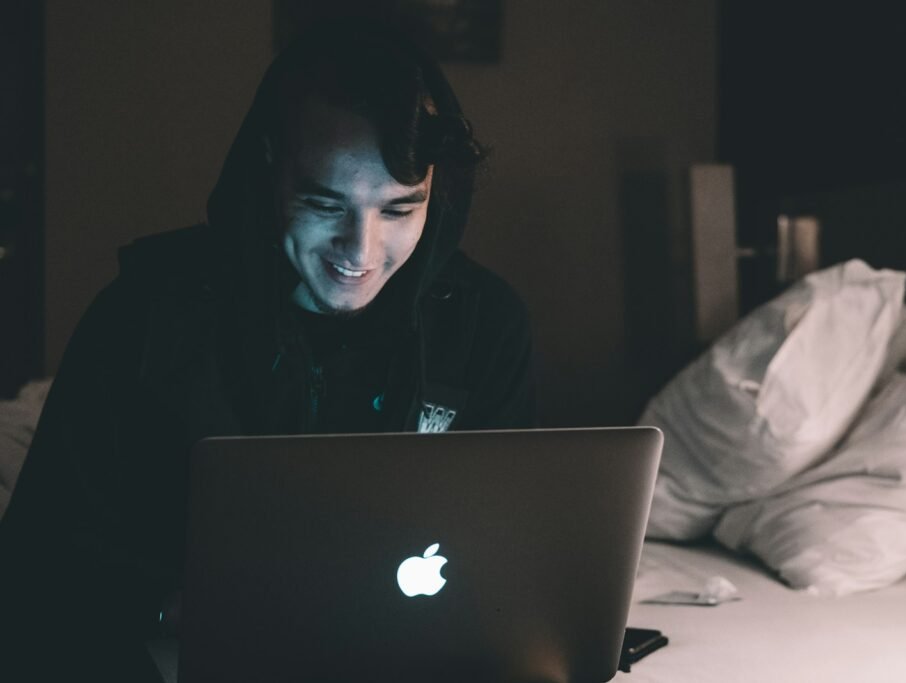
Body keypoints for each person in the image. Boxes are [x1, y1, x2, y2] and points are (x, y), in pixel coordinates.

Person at [0, 19, 535, 682]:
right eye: (322, 201)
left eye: (400, 209)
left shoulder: (485, 325)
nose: (360, 252)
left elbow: (504, 556)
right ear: (268, 169)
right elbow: (34, 577)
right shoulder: (144, 316)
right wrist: (166, 611)